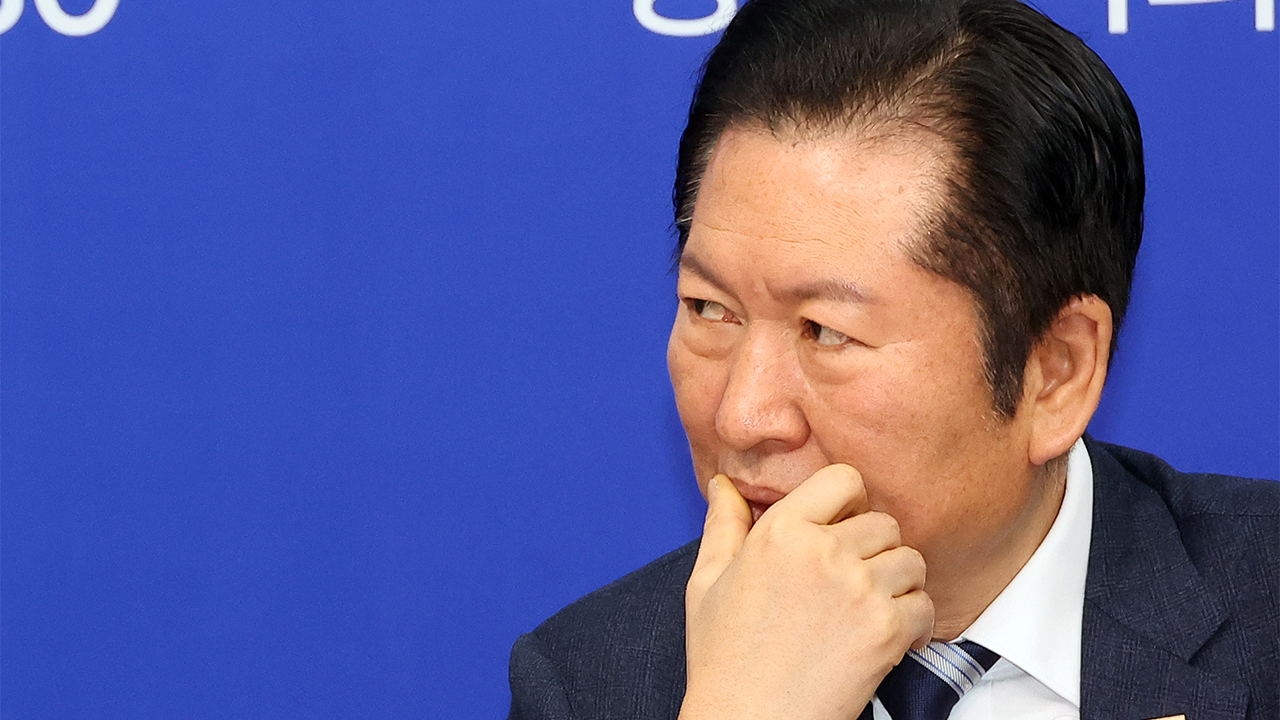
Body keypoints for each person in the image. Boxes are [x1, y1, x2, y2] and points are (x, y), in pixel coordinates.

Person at [507, 0, 1280, 718]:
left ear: (1056, 372)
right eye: (710, 309)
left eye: (825, 330)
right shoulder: (588, 683)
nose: (742, 416)